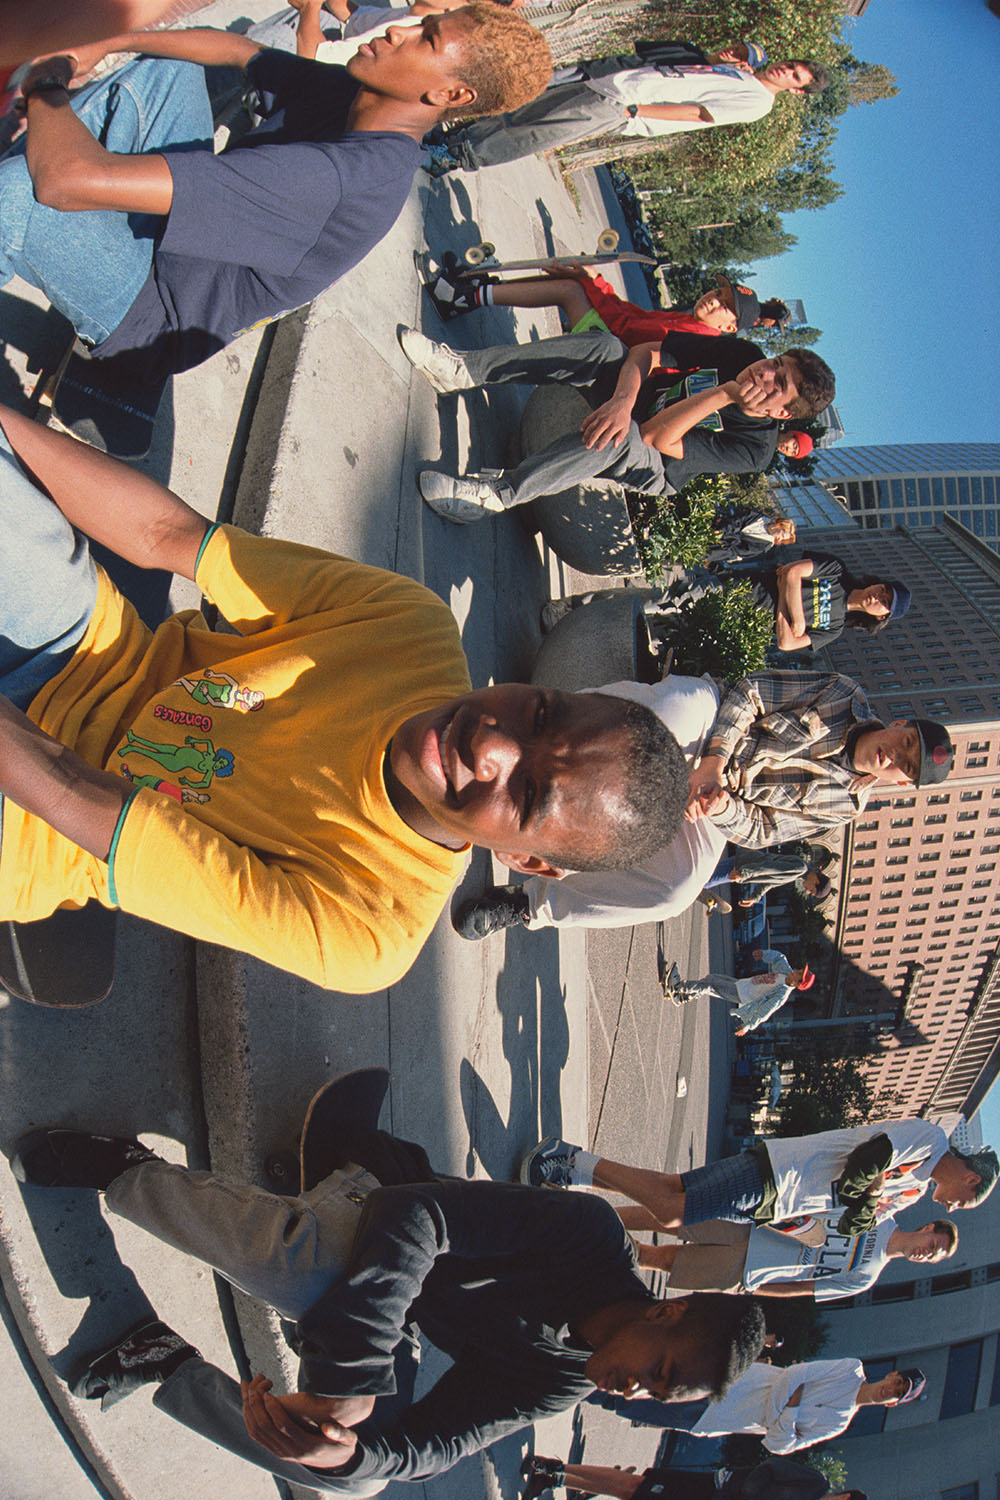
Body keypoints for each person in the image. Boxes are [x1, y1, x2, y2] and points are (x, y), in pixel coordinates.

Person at [0, 405, 689, 994]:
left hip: (42, 827)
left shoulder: (370, 930)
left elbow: (69, 795)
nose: (491, 743)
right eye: (539, 713)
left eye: (529, 790)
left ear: (527, 863)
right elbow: (168, 536)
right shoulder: (410, 627)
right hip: (92, 653)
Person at [8, 1117, 766, 1494]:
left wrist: (353, 1447)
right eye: (657, 1370)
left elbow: (442, 1441)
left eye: (658, 1394)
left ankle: (163, 1360)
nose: (636, 1390)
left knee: (357, 1476)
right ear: (666, 1312)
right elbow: (416, 1218)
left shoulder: (564, 1379)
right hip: (378, 1197)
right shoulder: (590, 1237)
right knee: (301, 1274)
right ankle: (126, 1169)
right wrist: (352, 1371)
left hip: (386, 1313)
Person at [0, 8, 552, 386]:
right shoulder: (361, 98)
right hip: (173, 251)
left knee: (21, 196)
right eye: (421, 22)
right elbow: (242, 52)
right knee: (169, 72)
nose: (397, 31)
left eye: (425, 39)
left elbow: (64, 181)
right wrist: (107, 40)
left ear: (450, 95)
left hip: (150, 312)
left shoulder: (338, 178)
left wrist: (49, 79)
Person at [455, 666, 952, 939]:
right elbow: (754, 690)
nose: (894, 758)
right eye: (905, 745)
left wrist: (718, 806)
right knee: (666, 710)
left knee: (674, 891)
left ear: (901, 784)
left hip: (721, 808)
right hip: (713, 727)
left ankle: (527, 904)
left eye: (903, 769)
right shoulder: (843, 694)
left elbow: (762, 831)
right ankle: (522, 726)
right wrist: (713, 761)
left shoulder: (845, 808)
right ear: (902, 724)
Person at [399, 325, 836, 525]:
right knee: (605, 347)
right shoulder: (743, 353)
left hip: (656, 464)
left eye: (778, 383)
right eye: (775, 363)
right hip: (638, 410)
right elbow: (645, 351)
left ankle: (493, 497)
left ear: (782, 414)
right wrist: (624, 399)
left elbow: (654, 437)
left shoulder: (755, 450)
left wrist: (723, 394)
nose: (763, 373)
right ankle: (463, 370)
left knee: (621, 435)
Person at [519, 1117, 998, 1236]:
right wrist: (866, 1194)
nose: (952, 1207)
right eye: (964, 1202)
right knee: (671, 1215)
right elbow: (867, 1162)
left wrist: (867, 1198)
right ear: (971, 1180)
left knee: (671, 1189)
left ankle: (573, 1171)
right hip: (783, 1171)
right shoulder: (930, 1140)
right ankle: (572, 1159)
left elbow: (855, 1226)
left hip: (779, 1202)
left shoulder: (913, 1193)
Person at [423, 48, 829, 175]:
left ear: (796, 91)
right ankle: (457, 139)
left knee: (536, 132)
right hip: (616, 81)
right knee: (526, 111)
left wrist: (638, 110)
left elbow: (700, 114)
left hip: (623, 104)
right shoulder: (742, 75)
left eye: (795, 77)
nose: (786, 71)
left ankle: (457, 158)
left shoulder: (759, 101)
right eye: (792, 65)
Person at [611, 1358, 926, 1454]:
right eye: (898, 1382)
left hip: (713, 1419)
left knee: (625, 1405)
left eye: (897, 1394)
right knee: (629, 1375)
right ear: (893, 1373)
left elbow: (779, 1446)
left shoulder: (838, 1424)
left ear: (893, 1405)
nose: (890, 1390)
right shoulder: (850, 1370)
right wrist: (784, 1415)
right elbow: (795, 1373)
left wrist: (787, 1409)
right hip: (728, 1382)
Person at [627, 1210, 957, 1299]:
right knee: (668, 1220)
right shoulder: (879, 1215)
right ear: (927, 1228)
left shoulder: (867, 1277)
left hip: (748, 1270)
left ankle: (599, 1245)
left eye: (935, 1257)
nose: (929, 1253)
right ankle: (598, 1215)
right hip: (755, 1226)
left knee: (663, 1260)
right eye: (934, 1245)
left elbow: (803, 1288)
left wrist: (753, 1288)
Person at [425, 261, 786, 340]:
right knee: (576, 281)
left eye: (723, 305)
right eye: (718, 292)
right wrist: (600, 285)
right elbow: (632, 314)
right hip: (614, 339)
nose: (713, 299)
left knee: (572, 288)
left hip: (609, 352)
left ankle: (465, 298)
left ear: (729, 326)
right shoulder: (692, 322)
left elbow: (624, 325)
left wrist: (593, 283)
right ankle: (476, 293)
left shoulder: (693, 334)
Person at [521, 1452, 861, 1500]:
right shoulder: (816, 1484)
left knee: (635, 1497)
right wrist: (748, 1492)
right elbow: (772, 1466)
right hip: (718, 1489)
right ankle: (555, 1466)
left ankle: (556, 1480)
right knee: (636, 1484)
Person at [662, 948, 813, 1034]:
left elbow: (765, 1012)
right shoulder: (786, 971)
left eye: (800, 973)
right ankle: (681, 997)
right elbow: (779, 958)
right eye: (800, 970)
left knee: (710, 985)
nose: (798, 970)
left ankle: (677, 987)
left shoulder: (781, 995)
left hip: (742, 994)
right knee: (711, 978)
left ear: (798, 983)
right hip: (742, 984)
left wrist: (748, 1026)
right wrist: (765, 955)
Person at [703, 511, 797, 568]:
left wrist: (726, 535)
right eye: (782, 534)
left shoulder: (764, 546)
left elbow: (740, 550)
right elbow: (737, 520)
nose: (780, 538)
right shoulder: (758, 517)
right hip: (716, 529)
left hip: (720, 549)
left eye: (783, 539)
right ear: (780, 525)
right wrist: (722, 530)